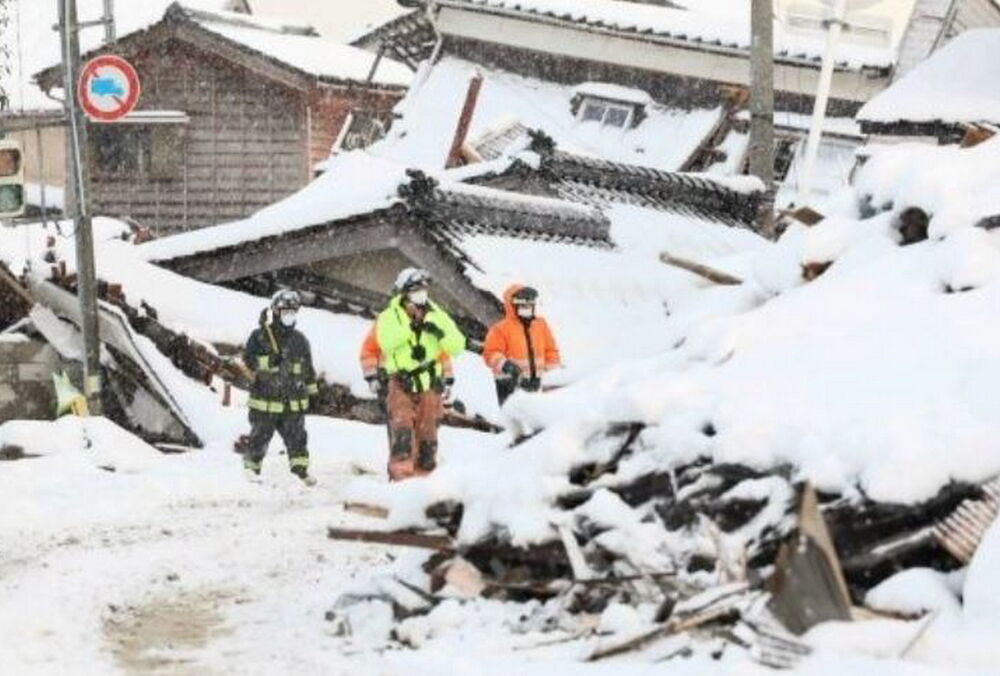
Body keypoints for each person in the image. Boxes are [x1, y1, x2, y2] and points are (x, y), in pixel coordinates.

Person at [375, 268, 465, 481]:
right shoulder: (389, 316)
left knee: (428, 436)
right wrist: (411, 325)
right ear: (404, 293)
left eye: (424, 289)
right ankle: (401, 478)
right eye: (416, 290)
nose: (421, 294)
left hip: (429, 384)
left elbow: (458, 346)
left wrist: (438, 333)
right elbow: (386, 343)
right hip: (402, 382)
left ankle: (424, 479)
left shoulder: (437, 314)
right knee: (403, 432)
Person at [242, 289, 319, 486]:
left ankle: (301, 471)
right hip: (265, 401)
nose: (289, 315)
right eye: (285, 311)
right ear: (276, 311)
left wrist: (314, 394)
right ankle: (251, 468)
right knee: (259, 436)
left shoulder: (300, 340)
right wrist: (268, 361)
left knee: (298, 438)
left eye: (293, 311)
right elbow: (249, 361)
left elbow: (308, 369)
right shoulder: (260, 336)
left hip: (292, 404)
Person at [482, 284, 561, 406]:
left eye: (530, 305)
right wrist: (506, 365)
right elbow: (490, 353)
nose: (527, 308)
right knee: (515, 422)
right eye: (523, 305)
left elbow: (551, 351)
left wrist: (552, 376)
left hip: (538, 385)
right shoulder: (500, 329)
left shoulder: (541, 325)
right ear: (512, 306)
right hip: (510, 385)